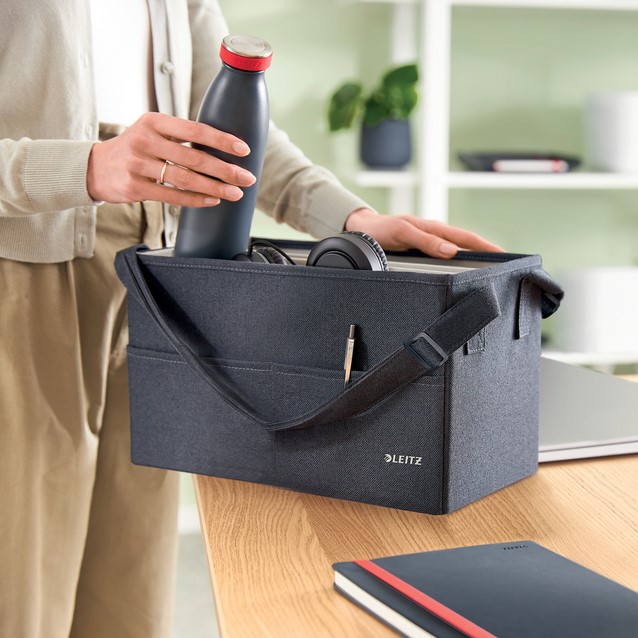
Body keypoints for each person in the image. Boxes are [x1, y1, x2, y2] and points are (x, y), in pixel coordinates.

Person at [0, 1, 502, 637]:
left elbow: (238, 142)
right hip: (21, 272)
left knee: (129, 580)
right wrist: (87, 167)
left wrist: (353, 219)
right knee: (22, 575)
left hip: (159, 277)